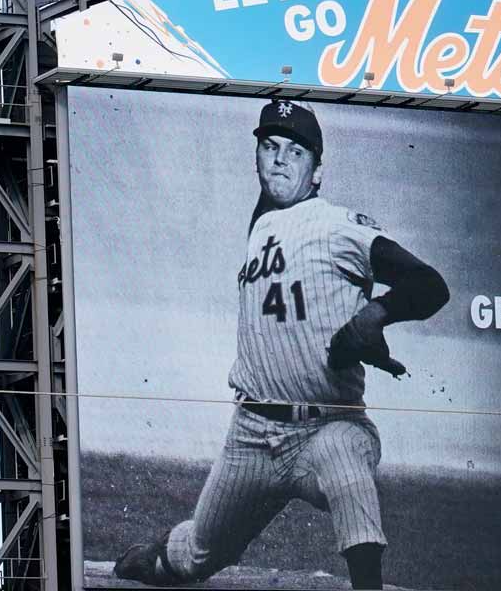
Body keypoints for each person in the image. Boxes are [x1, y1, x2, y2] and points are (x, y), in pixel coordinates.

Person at [113, 99, 450, 589]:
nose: (279, 160)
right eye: (269, 147)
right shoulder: (261, 227)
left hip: (327, 425)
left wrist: (376, 313)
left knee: (345, 466)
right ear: (256, 157)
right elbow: (269, 198)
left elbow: (430, 284)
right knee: (194, 559)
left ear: (317, 171)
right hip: (250, 435)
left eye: (295, 152)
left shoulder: (338, 226)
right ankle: (161, 553)